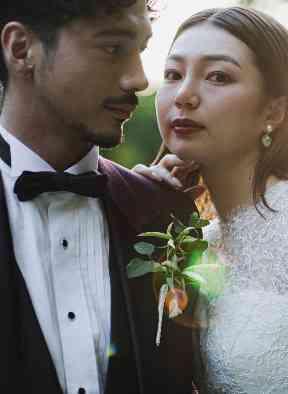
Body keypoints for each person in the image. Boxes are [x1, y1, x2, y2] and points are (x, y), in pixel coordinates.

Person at [139, 6, 288, 393]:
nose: (184, 94)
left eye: (217, 76)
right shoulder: (193, 236)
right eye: (173, 74)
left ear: (274, 110)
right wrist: (138, 201)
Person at [0, 1, 196, 393]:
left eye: (140, 50)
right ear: (22, 49)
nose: (139, 79)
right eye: (113, 48)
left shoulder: (163, 213)